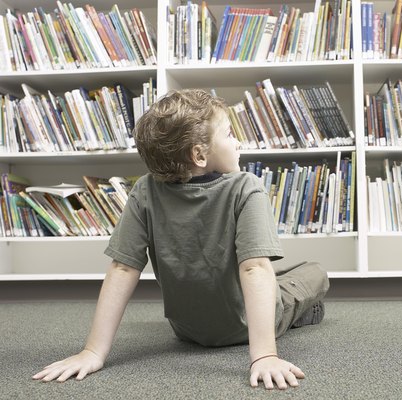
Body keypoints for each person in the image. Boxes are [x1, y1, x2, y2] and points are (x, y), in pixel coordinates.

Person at [32, 89, 330, 390]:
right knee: (312, 272)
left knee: (273, 272)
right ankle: (298, 314)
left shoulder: (145, 190)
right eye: (228, 134)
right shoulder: (246, 187)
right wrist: (265, 356)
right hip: (241, 328)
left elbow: (122, 269)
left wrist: (92, 351)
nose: (237, 141)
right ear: (199, 155)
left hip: (187, 330)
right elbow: (253, 268)